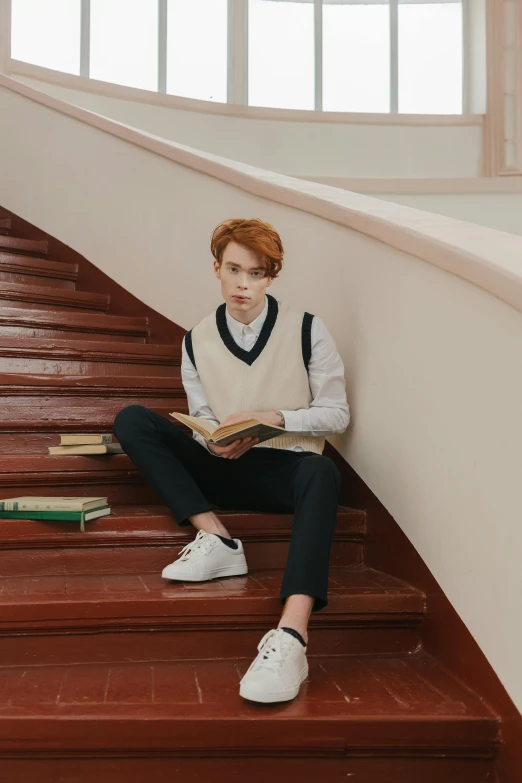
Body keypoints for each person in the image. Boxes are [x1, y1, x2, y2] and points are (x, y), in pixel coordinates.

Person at [113, 217, 350, 704]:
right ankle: (217, 537)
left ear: (271, 276)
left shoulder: (307, 329)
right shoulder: (194, 340)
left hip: (284, 472)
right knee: (133, 419)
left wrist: (275, 417)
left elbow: (337, 414)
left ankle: (292, 635)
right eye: (235, 270)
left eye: (258, 274)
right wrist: (214, 441)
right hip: (223, 467)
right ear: (217, 268)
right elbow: (202, 414)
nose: (244, 284)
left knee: (322, 472)